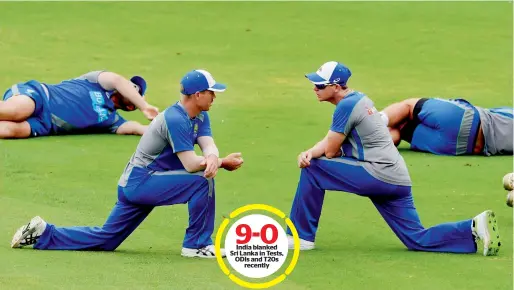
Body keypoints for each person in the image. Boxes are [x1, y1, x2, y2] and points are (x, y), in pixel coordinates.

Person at [10, 69, 244, 258]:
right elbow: (191, 164)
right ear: (197, 95)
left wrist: (214, 156)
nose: (214, 97)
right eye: (211, 92)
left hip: (144, 181)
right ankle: (197, 245)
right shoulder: (175, 118)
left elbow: (207, 143)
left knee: (106, 239)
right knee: (201, 184)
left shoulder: (200, 115)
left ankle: (43, 233)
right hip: (142, 182)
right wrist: (222, 163)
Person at [286, 61, 501, 256]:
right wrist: (311, 151)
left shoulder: (346, 106)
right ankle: (473, 227)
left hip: (376, 174)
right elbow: (330, 140)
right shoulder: (358, 99)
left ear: (336, 86)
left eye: (320, 85)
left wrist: (313, 156)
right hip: (397, 178)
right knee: (416, 238)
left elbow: (331, 151)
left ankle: (300, 237)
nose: (315, 89)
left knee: (313, 169)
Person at [0, 71, 160, 138]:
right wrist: (144, 106)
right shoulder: (98, 82)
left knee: (8, 130)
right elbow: (117, 80)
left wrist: (162, 128)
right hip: (40, 95)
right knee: (16, 111)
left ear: (131, 107)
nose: (129, 87)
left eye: (135, 90)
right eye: (130, 85)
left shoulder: (111, 120)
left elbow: (136, 128)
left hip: (45, 124)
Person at [379, 97, 513, 156]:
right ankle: (374, 142)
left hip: (465, 119)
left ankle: (371, 126)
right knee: (401, 130)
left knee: (408, 107)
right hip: (459, 148)